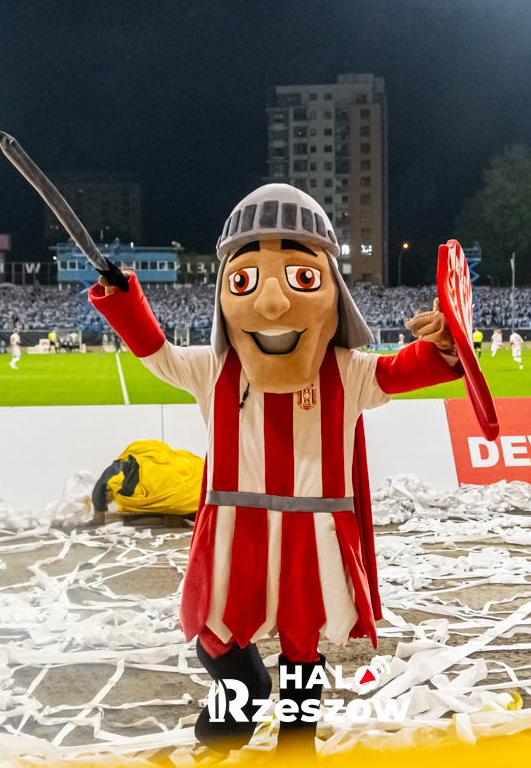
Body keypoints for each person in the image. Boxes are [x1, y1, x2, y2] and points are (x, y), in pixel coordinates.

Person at [88, 184, 463, 757]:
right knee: (214, 635)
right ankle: (243, 690)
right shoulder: (214, 368)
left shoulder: (346, 371)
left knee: (301, 647)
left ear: (332, 292)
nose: (269, 305)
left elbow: (405, 370)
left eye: (302, 278)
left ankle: (296, 743)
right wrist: (124, 299)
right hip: (233, 528)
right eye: (244, 282)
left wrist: (448, 345)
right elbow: (157, 353)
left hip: (311, 531)